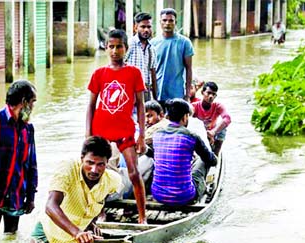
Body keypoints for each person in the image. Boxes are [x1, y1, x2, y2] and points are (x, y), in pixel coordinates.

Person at [23, 137, 122, 243]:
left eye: (100, 164)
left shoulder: (113, 180)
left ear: (107, 163)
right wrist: (77, 232)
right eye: (89, 163)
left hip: (81, 239)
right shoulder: (67, 168)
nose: (94, 170)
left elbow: (100, 199)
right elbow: (50, 205)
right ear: (82, 159)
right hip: (51, 231)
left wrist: (92, 222)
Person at [85, 29, 147, 224]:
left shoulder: (134, 73)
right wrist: (88, 134)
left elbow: (140, 105)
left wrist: (142, 135)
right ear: (105, 48)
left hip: (125, 131)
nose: (114, 51)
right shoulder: (99, 74)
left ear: (126, 49)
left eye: (119, 47)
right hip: (100, 131)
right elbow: (91, 106)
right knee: (97, 173)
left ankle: (142, 216)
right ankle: (99, 212)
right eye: (111, 47)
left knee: (134, 173)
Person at [0, 80, 38, 242]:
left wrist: (31, 196)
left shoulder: (27, 128)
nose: (33, 107)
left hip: (17, 194)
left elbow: (31, 163)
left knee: (11, 239)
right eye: (32, 102)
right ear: (24, 102)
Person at [151, 99, 217, 206]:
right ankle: (202, 187)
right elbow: (212, 160)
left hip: (158, 194)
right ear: (185, 117)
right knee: (202, 161)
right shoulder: (191, 136)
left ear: (168, 117)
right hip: (184, 195)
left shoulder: (156, 134)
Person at [151, 8, 194, 102]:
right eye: (164, 20)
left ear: (176, 22)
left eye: (171, 20)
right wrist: (152, 94)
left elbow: (189, 69)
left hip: (177, 94)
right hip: (158, 93)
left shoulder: (184, 42)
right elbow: (151, 70)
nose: (167, 23)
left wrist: (187, 95)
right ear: (160, 22)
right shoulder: (153, 43)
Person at [191, 81, 231, 156]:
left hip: (212, 133)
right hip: (199, 133)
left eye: (213, 94)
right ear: (202, 92)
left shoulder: (218, 106)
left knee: (223, 129)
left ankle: (216, 155)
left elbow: (227, 118)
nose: (211, 96)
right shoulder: (194, 106)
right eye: (208, 93)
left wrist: (213, 132)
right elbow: (187, 120)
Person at [125, 12, 158, 102]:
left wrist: (155, 99)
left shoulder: (152, 49)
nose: (146, 30)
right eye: (143, 27)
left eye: (149, 27)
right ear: (135, 28)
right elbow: (118, 66)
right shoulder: (129, 44)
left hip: (145, 92)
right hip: (129, 91)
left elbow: (153, 75)